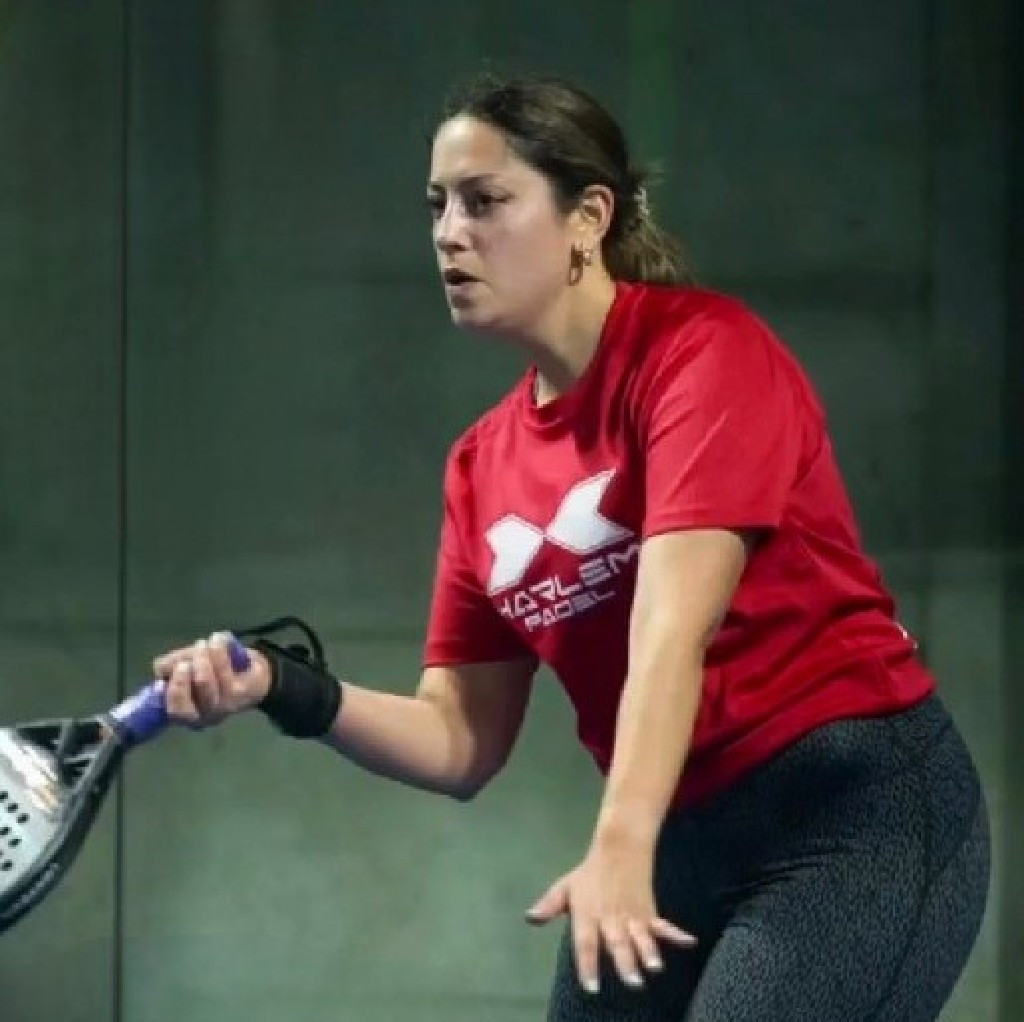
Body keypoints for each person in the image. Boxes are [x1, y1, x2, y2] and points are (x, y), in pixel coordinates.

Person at [155, 75, 990, 1021]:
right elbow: (459, 740)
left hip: (850, 807)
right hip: (682, 834)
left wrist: (620, 847)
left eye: (485, 201)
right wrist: (281, 686)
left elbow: (671, 632)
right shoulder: (480, 467)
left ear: (588, 217)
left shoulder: (705, 355)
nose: (449, 234)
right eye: (437, 205)